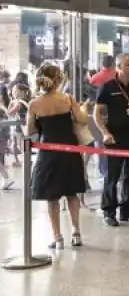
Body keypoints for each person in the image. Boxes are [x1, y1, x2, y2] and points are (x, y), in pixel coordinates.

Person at [27, 64, 90, 249]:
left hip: (48, 151)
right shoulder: (67, 99)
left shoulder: (34, 104)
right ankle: (76, 233)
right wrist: (83, 108)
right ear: (59, 79)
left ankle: (57, 237)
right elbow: (82, 120)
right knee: (72, 193)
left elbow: (29, 130)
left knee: (51, 197)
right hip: (69, 150)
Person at [94, 53, 129, 227]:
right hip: (114, 138)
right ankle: (109, 211)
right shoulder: (107, 87)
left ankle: (127, 210)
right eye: (128, 65)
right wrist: (104, 132)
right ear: (119, 67)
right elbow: (97, 113)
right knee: (112, 177)